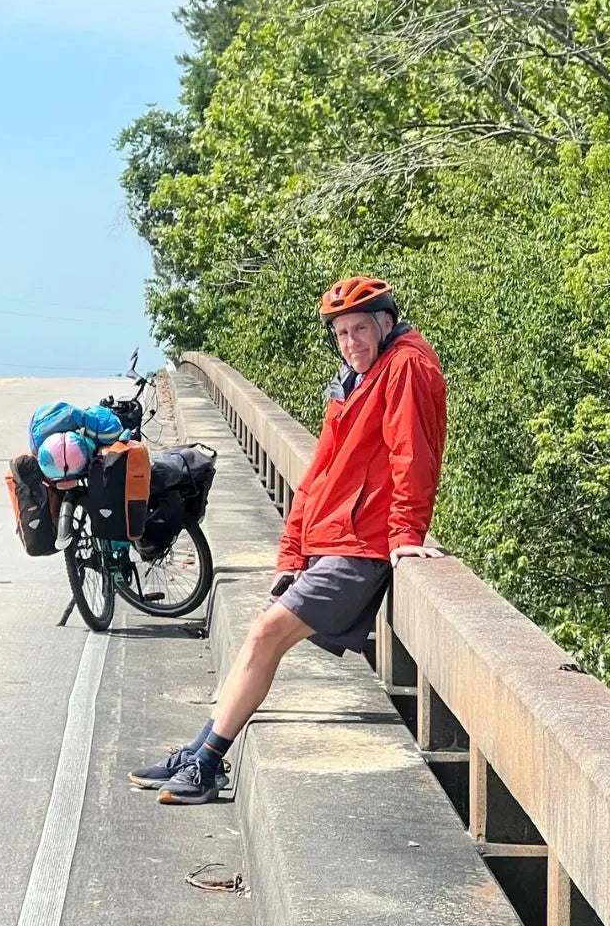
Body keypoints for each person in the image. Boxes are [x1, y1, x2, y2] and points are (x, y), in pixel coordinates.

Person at [131, 276, 448, 805]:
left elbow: (410, 455)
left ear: (386, 324)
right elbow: (321, 471)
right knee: (261, 635)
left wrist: (406, 534)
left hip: (362, 545)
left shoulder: (408, 367)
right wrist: (292, 550)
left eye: (361, 330)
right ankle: (198, 750)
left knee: (265, 636)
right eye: (342, 333)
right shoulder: (354, 377)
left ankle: (209, 763)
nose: (351, 342)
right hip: (334, 537)